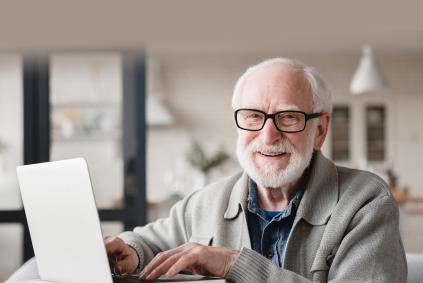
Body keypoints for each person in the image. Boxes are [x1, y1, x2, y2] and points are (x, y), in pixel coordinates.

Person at [105, 58, 407, 282]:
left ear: (320, 130)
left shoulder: (366, 202)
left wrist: (236, 265)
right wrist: (132, 254)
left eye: (288, 117)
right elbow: (149, 242)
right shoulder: (204, 202)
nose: (267, 135)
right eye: (252, 116)